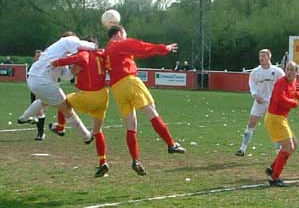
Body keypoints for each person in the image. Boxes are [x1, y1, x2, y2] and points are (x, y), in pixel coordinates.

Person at [105, 25, 186, 176]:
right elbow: (141, 47)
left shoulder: (107, 50)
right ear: (119, 33)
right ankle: (171, 144)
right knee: (151, 112)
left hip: (116, 88)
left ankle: (136, 160)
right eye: (124, 34)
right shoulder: (119, 44)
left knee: (131, 125)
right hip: (129, 82)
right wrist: (164, 48)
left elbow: (137, 53)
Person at [17, 32, 95, 145]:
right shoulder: (67, 40)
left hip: (34, 79)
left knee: (44, 101)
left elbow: (65, 76)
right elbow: (84, 45)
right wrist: (98, 48)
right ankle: (86, 136)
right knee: (67, 109)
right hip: (43, 80)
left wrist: (73, 71)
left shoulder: (57, 53)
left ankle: (24, 118)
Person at [51, 40, 112, 177]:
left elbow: (77, 59)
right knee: (97, 131)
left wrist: (56, 63)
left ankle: (60, 127)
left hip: (89, 95)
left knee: (63, 100)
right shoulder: (101, 53)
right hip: (103, 95)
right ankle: (103, 162)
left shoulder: (84, 53)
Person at [236, 49, 285, 156]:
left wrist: (280, 97)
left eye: (264, 56)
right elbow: (252, 84)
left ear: (269, 57)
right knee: (251, 124)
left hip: (273, 103)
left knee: (275, 126)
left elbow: (284, 84)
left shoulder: (277, 71)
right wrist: (255, 95)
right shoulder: (255, 72)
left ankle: (278, 152)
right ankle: (242, 149)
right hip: (259, 102)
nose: (261, 58)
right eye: (260, 56)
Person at [263, 61, 299, 187]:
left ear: (297, 72)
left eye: (292, 70)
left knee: (294, 145)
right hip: (275, 118)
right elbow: (281, 99)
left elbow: (297, 93)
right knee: (289, 147)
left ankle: (272, 168)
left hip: (280, 119)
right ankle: (274, 178)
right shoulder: (281, 82)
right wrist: (293, 103)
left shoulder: (293, 83)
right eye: (287, 69)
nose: (289, 72)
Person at [27, 50, 47, 141]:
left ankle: (41, 133)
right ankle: (39, 131)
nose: (39, 58)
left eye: (40, 56)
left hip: (43, 90)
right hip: (34, 90)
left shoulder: (46, 66)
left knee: (40, 111)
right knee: (37, 110)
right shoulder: (32, 67)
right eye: (37, 56)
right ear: (34, 58)